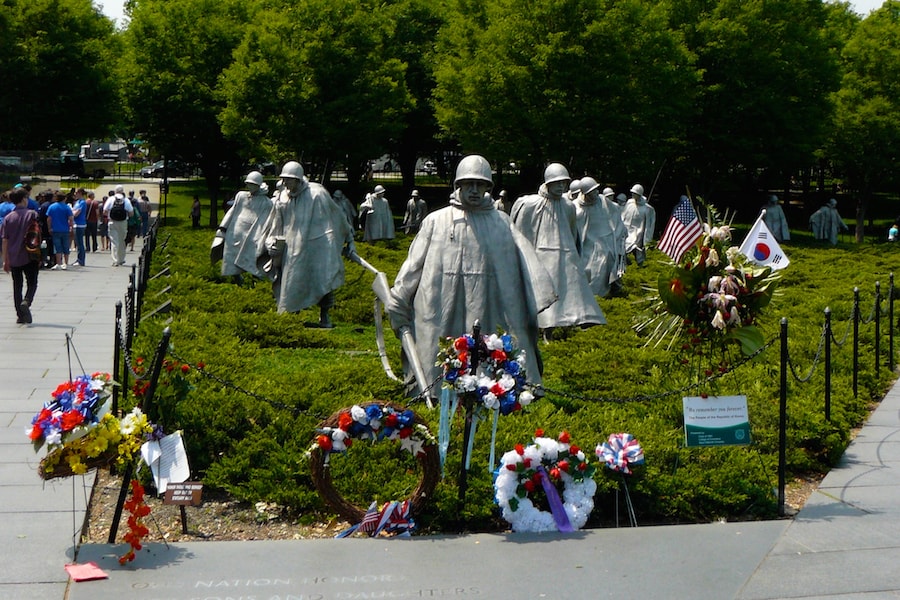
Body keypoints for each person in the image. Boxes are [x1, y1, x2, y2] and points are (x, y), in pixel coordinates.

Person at [386, 154, 556, 395]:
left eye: (480, 184)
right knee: (439, 357)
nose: (474, 190)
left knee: (490, 359)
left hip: (489, 309)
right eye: (468, 184)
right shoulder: (436, 221)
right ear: (458, 186)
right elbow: (413, 266)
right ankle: (434, 391)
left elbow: (524, 273)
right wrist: (399, 296)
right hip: (442, 307)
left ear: (488, 187)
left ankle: (499, 393)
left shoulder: (501, 222)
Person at [257, 161, 354, 328]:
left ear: (298, 179)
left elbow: (336, 217)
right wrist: (271, 242)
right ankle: (290, 317)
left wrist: (349, 240)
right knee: (290, 282)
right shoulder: (282, 197)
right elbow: (275, 225)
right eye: (284, 179)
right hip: (291, 249)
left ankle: (325, 316)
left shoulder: (317, 194)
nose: (286, 183)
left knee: (323, 279)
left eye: (289, 179)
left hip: (317, 246)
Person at [510, 162, 605, 331]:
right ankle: (544, 328)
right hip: (541, 256)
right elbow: (520, 233)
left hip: (565, 256)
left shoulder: (568, 206)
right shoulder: (531, 204)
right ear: (548, 182)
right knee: (544, 293)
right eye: (557, 182)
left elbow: (571, 232)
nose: (561, 186)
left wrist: (573, 255)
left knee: (568, 293)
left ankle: (568, 324)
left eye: (564, 183)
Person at [575, 178, 628, 297]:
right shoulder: (577, 207)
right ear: (585, 194)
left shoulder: (603, 201)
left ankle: (606, 292)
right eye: (591, 192)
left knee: (605, 263)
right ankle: (591, 295)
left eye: (595, 190)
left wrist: (619, 231)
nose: (595, 194)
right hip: (587, 243)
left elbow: (615, 214)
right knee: (588, 268)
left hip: (605, 240)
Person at [216, 171, 272, 279]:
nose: (250, 186)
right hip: (235, 232)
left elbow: (267, 220)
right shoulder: (241, 196)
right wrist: (222, 227)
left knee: (251, 257)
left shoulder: (266, 202)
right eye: (249, 184)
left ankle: (254, 280)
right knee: (232, 257)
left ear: (258, 185)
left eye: (253, 184)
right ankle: (236, 278)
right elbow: (232, 211)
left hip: (252, 234)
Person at [0, 187, 39, 323]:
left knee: (17, 285)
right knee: (32, 282)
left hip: (14, 256)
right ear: (23, 199)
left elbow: (5, 240)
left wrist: (5, 260)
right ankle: (27, 301)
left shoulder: (8, 218)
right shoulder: (32, 214)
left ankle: (20, 315)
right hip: (30, 254)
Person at [622, 183, 656, 266]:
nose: (633, 195)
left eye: (635, 194)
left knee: (637, 249)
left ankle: (640, 265)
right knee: (624, 246)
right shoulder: (629, 203)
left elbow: (649, 225)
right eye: (632, 193)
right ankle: (625, 263)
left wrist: (647, 239)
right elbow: (623, 215)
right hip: (627, 230)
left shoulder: (647, 209)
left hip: (638, 232)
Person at [103, 184, 133, 266]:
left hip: (112, 222)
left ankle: (115, 260)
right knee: (122, 241)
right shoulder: (126, 200)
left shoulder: (111, 199)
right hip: (123, 222)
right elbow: (131, 213)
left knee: (114, 241)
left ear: (115, 191)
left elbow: (104, 211)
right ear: (122, 191)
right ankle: (121, 259)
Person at [46, 192, 74, 270]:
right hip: (65, 229)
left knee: (57, 247)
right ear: (64, 199)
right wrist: (71, 227)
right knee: (66, 246)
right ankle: (66, 263)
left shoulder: (52, 207)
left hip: (55, 229)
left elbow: (49, 219)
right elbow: (71, 218)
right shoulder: (67, 207)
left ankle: (58, 263)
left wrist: (49, 228)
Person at [71, 188, 87, 266]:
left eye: (76, 192)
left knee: (80, 243)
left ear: (80, 193)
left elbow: (76, 213)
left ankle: (81, 260)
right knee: (77, 242)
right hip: (76, 223)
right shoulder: (77, 202)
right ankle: (78, 259)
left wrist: (72, 212)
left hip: (80, 224)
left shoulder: (82, 202)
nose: (75, 194)